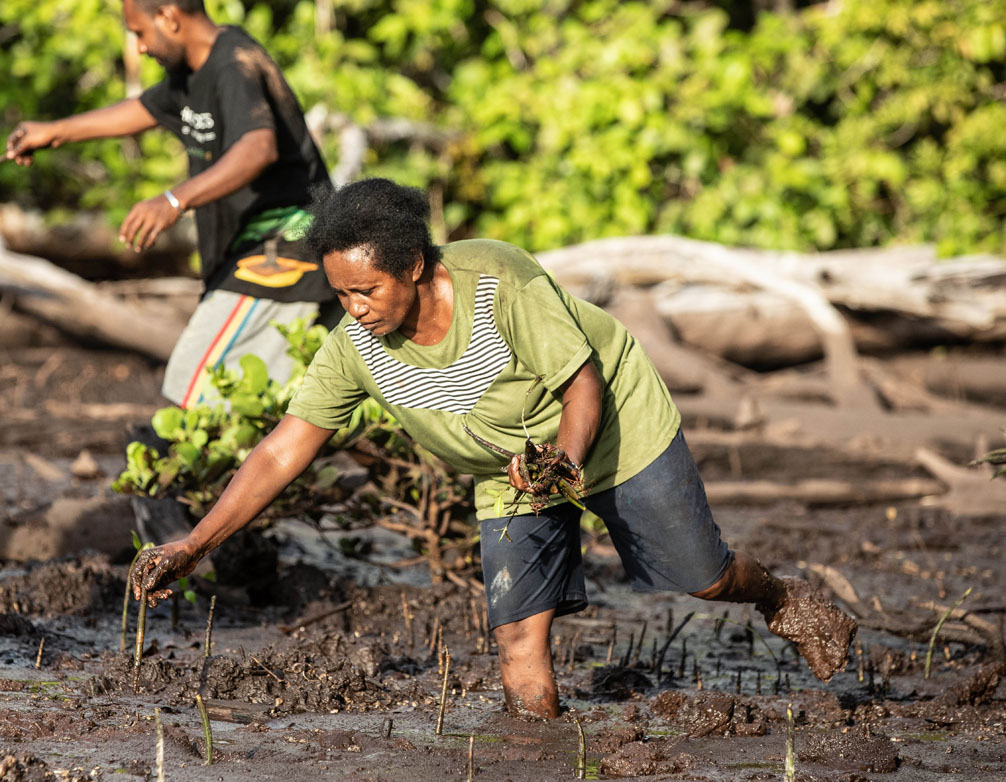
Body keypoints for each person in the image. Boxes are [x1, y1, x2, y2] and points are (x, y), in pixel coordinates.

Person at [129, 178, 858, 719]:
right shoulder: (356, 344)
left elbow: (580, 385)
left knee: (703, 577)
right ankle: (537, 753)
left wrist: (565, 463)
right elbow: (283, 450)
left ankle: (781, 596)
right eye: (341, 293)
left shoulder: (498, 283)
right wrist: (196, 543)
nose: (353, 308)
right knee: (516, 637)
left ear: (413, 266)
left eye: (366, 290)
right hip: (510, 471)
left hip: (613, 430)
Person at [5, 0, 341, 409]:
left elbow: (258, 146)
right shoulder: (191, 76)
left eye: (140, 32)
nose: (141, 47)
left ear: (168, 16)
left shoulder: (234, 64)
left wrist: (173, 199)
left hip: (283, 251)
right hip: (266, 255)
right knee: (323, 397)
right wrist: (55, 132)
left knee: (193, 393)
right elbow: (144, 109)